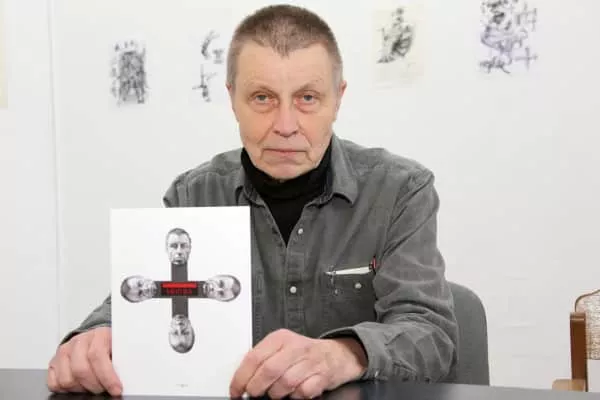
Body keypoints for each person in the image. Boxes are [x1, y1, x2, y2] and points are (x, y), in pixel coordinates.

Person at [46, 4, 458, 399]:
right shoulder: (194, 196)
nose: (285, 126)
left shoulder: (400, 191)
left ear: (338, 98)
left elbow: (431, 334)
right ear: (232, 99)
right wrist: (93, 338)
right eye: (262, 98)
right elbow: (137, 302)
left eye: (307, 98)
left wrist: (345, 354)